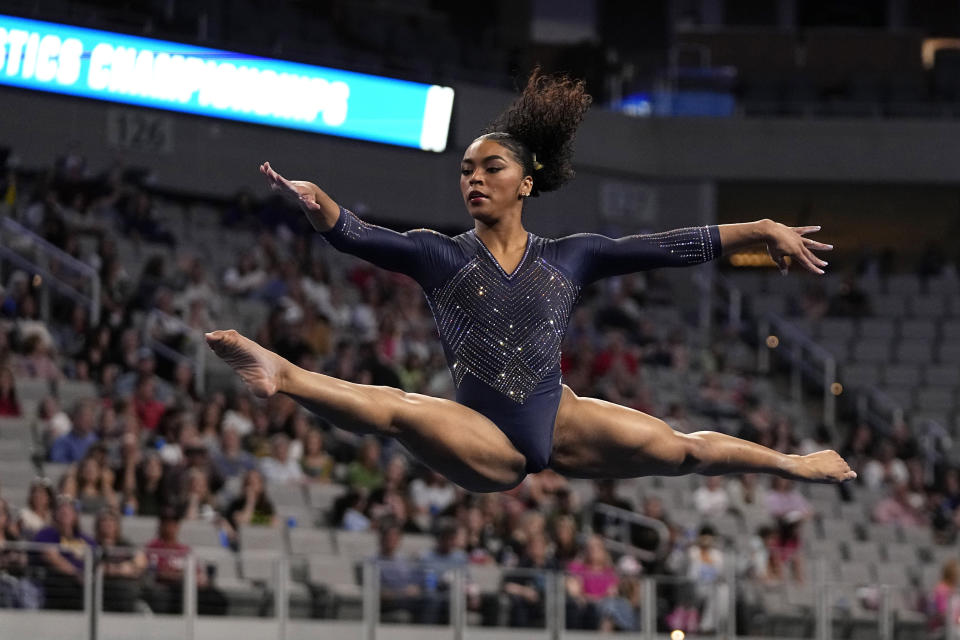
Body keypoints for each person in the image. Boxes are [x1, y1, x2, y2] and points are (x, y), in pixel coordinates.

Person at [205, 68, 854, 494]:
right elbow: (361, 237)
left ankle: (791, 463)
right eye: (466, 170)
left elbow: (667, 247)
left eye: (491, 168)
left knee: (683, 451)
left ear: (527, 183)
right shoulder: (441, 256)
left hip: (562, 418)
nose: (475, 179)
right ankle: (280, 372)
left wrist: (764, 227)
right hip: (483, 434)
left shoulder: (571, 257)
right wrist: (320, 204)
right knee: (398, 411)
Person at [33, 496, 95, 610]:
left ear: (76, 515)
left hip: (85, 584)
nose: (65, 513)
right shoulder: (46, 534)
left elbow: (96, 559)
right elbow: (51, 556)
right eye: (61, 510)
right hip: (57, 583)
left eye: (69, 510)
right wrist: (76, 573)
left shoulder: (86, 540)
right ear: (55, 514)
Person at [93, 508, 147, 612]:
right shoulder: (94, 545)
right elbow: (98, 568)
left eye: (111, 520)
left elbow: (140, 562)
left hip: (128, 587)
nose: (108, 524)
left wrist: (112, 569)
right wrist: (121, 569)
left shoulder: (125, 544)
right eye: (104, 520)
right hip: (105, 588)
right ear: (98, 525)